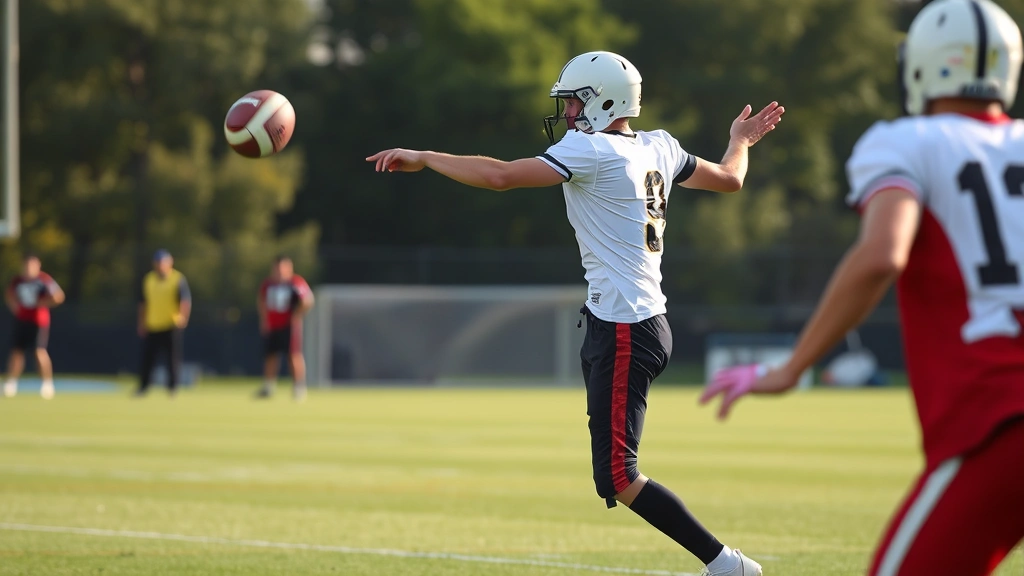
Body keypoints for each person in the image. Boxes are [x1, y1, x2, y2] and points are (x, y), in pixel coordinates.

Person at [368, 51, 783, 576]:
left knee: (618, 474)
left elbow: (500, 177)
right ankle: (726, 566)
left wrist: (426, 156)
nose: (566, 113)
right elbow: (730, 178)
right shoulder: (660, 145)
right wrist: (740, 143)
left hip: (628, 327)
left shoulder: (590, 149)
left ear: (603, 99)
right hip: (632, 321)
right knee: (613, 474)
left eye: (573, 102)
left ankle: (728, 565)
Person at [701, 1, 1024, 574]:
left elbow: (880, 256)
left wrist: (792, 367)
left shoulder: (907, 142)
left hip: (1001, 419)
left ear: (920, 68)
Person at [2, 253, 64, 399]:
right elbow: (9, 295)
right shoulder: (17, 280)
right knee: (17, 351)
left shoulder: (43, 280)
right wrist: (14, 306)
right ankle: (11, 383)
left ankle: (47, 384)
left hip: (38, 321)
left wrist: (42, 304)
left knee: (39, 351)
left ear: (38, 265)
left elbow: (58, 296)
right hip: (21, 320)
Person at [255, 255, 314, 400]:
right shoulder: (268, 284)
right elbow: (261, 301)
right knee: (270, 355)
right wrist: (264, 320)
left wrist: (297, 315)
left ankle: (298, 387)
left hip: (289, 326)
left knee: (293, 355)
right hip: (273, 325)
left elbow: (307, 300)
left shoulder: (295, 283)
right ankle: (269, 386)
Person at [136, 249, 191, 397]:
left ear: (169, 263)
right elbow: (143, 303)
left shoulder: (177, 278)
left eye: (163, 262)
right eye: (158, 262)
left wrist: (183, 318)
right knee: (147, 359)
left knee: (172, 359)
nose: (160, 265)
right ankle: (143, 387)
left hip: (171, 325)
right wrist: (141, 323)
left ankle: (172, 388)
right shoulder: (148, 279)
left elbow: (185, 301)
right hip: (152, 324)